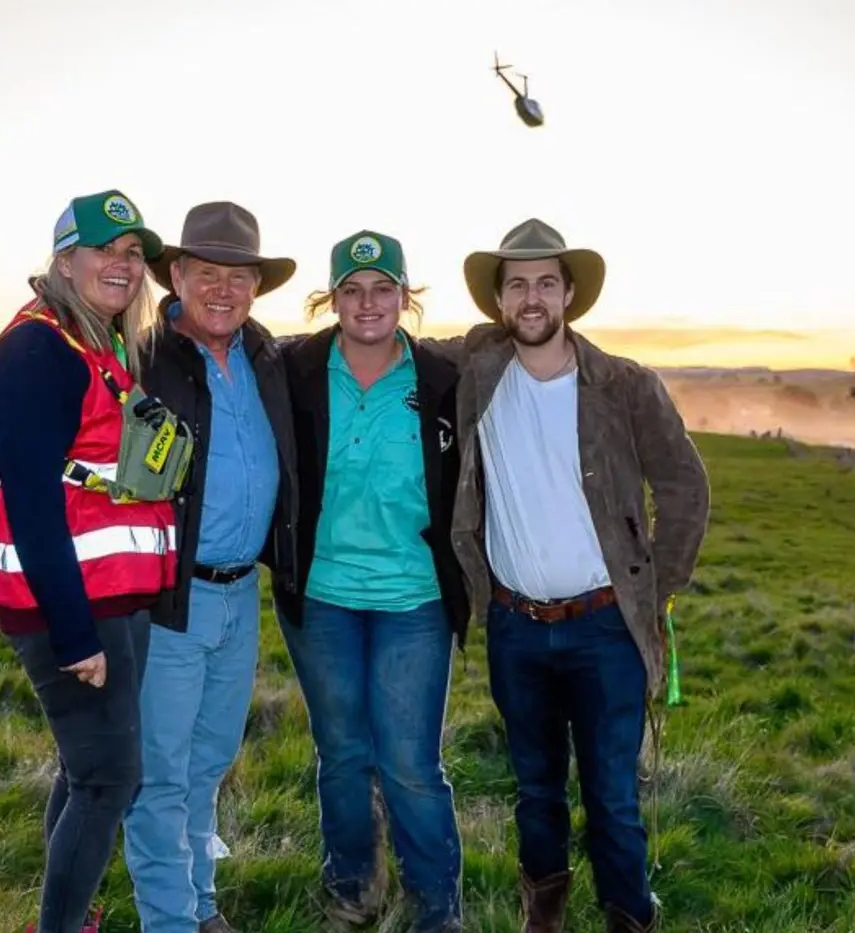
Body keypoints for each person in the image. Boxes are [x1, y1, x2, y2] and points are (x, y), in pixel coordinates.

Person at [447, 219, 711, 933]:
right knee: (534, 787)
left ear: (568, 294)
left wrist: (654, 590)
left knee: (612, 793)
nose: (532, 298)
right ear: (499, 301)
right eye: (517, 285)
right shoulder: (477, 374)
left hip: (605, 627)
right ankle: (546, 911)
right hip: (515, 626)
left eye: (545, 283)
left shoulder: (623, 385)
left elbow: (686, 486)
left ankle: (628, 913)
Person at [0, 189, 180, 933]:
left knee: (84, 769)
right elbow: (30, 500)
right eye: (106, 250)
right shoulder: (37, 348)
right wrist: (73, 632)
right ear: (65, 259)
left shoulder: (99, 342)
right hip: (72, 603)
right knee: (110, 778)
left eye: (134, 254)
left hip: (114, 594)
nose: (123, 265)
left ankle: (73, 914)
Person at [276, 231, 466, 932]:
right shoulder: (295, 366)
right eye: (350, 290)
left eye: (382, 288)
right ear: (330, 299)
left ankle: (435, 905)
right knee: (344, 753)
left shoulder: (443, 377)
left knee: (411, 761)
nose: (367, 304)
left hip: (413, 598)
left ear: (405, 297)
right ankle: (353, 886)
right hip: (321, 595)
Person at [121, 201, 301, 933]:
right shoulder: (144, 354)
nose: (222, 288)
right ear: (178, 276)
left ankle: (199, 905)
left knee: (209, 762)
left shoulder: (266, 357)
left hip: (239, 598)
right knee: (161, 773)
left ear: (256, 284)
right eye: (206, 273)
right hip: (168, 597)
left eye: (238, 274)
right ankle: (168, 921)